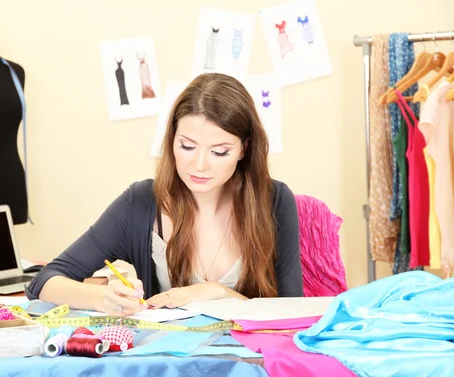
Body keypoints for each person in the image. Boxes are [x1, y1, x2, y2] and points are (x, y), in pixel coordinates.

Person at [25, 73, 303, 316]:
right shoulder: (141, 202)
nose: (200, 165)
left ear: (244, 149)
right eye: (187, 146)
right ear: (171, 139)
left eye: (219, 151)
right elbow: (44, 281)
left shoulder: (275, 201)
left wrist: (217, 293)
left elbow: (293, 314)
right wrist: (102, 298)